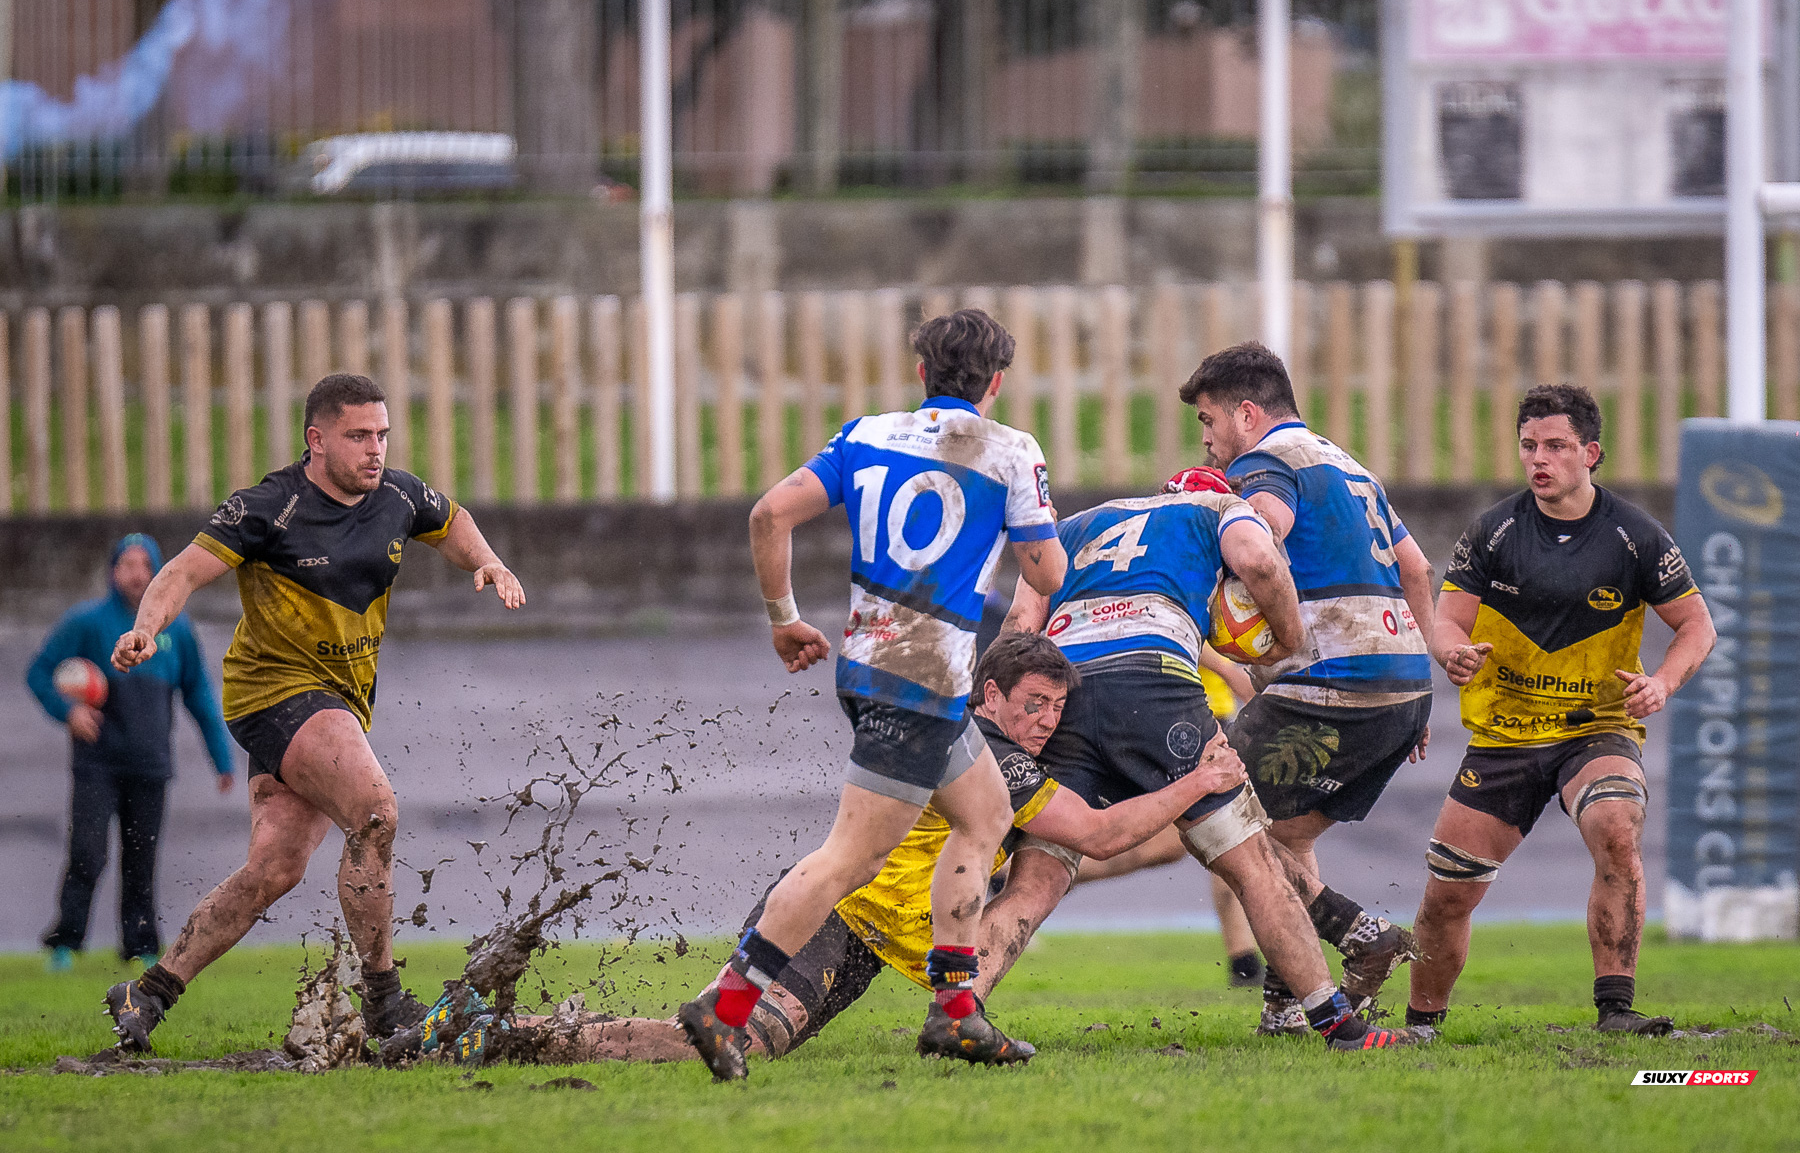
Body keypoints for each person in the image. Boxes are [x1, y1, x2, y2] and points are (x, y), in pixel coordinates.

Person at [445, 633, 1244, 1067]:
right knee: (720, 1041)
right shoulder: (992, 757)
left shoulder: (993, 752)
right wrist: (1200, 782)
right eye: (1033, 704)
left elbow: (1109, 842)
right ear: (989, 696)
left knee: (728, 1041)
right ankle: (496, 1032)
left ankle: (503, 1029)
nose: (1044, 722)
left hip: (861, 942)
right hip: (836, 921)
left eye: (1055, 711)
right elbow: (1099, 835)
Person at [677, 309, 1067, 1082]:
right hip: (923, 680)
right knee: (851, 858)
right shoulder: (1011, 450)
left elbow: (769, 513)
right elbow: (1048, 571)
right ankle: (725, 1004)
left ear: (922, 374)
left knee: (985, 813)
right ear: (995, 383)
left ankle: (956, 1010)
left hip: (874, 666)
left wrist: (784, 618)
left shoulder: (867, 434)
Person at [101, 373, 527, 1054]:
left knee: (273, 870)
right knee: (375, 810)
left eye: (382, 434)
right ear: (317, 439)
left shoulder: (397, 496)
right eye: (358, 435)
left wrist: (490, 562)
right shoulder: (268, 507)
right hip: (274, 693)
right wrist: (146, 629)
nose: (375, 448)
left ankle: (147, 991)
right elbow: (180, 572)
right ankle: (385, 999)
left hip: (336, 701)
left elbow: (452, 522)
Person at [1002, 479, 1425, 1050]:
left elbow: (1023, 625)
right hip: (1165, 697)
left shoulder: (1088, 529)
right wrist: (1278, 648)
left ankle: (957, 1005)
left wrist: (1002, 715)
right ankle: (1340, 985)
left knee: (1058, 871)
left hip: (1086, 692)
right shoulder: (1213, 521)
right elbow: (1253, 575)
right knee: (1242, 852)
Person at [1407, 384, 1715, 1037]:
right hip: (1506, 733)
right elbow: (1447, 620)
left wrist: (1662, 683)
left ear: (1591, 453)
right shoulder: (1493, 530)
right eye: (1528, 446)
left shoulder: (1636, 535)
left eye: (1555, 446)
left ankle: (1616, 1010)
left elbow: (1697, 626)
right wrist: (1451, 652)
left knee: (1616, 827)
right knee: (1447, 895)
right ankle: (1421, 1025)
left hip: (1595, 729)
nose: (1538, 459)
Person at [1181, 345, 1435, 1032]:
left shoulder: (1262, 465)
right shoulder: (1350, 466)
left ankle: (1358, 931)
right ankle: (1288, 1001)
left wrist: (1222, 571)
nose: (1206, 438)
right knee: (1284, 836)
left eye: (1208, 420)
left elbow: (1263, 541)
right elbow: (1416, 568)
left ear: (1246, 413)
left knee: (1209, 812)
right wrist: (1420, 676)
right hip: (1401, 685)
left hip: (1329, 681)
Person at [28, 535, 235, 972]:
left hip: (151, 764)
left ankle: (140, 947)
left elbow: (199, 695)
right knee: (87, 854)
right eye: (127, 564)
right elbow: (39, 673)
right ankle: (65, 943)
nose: (137, 574)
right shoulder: (86, 622)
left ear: (158, 573)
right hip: (97, 764)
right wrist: (68, 712)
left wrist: (223, 760)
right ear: (112, 571)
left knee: (140, 861)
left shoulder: (176, 629)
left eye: (146, 565)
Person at [1071, 639, 1265, 989]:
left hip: (1207, 717)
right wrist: (1228, 671)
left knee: (1216, 840)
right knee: (1218, 837)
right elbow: (1183, 630)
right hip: (1185, 720)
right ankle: (1046, 875)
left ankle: (1244, 960)